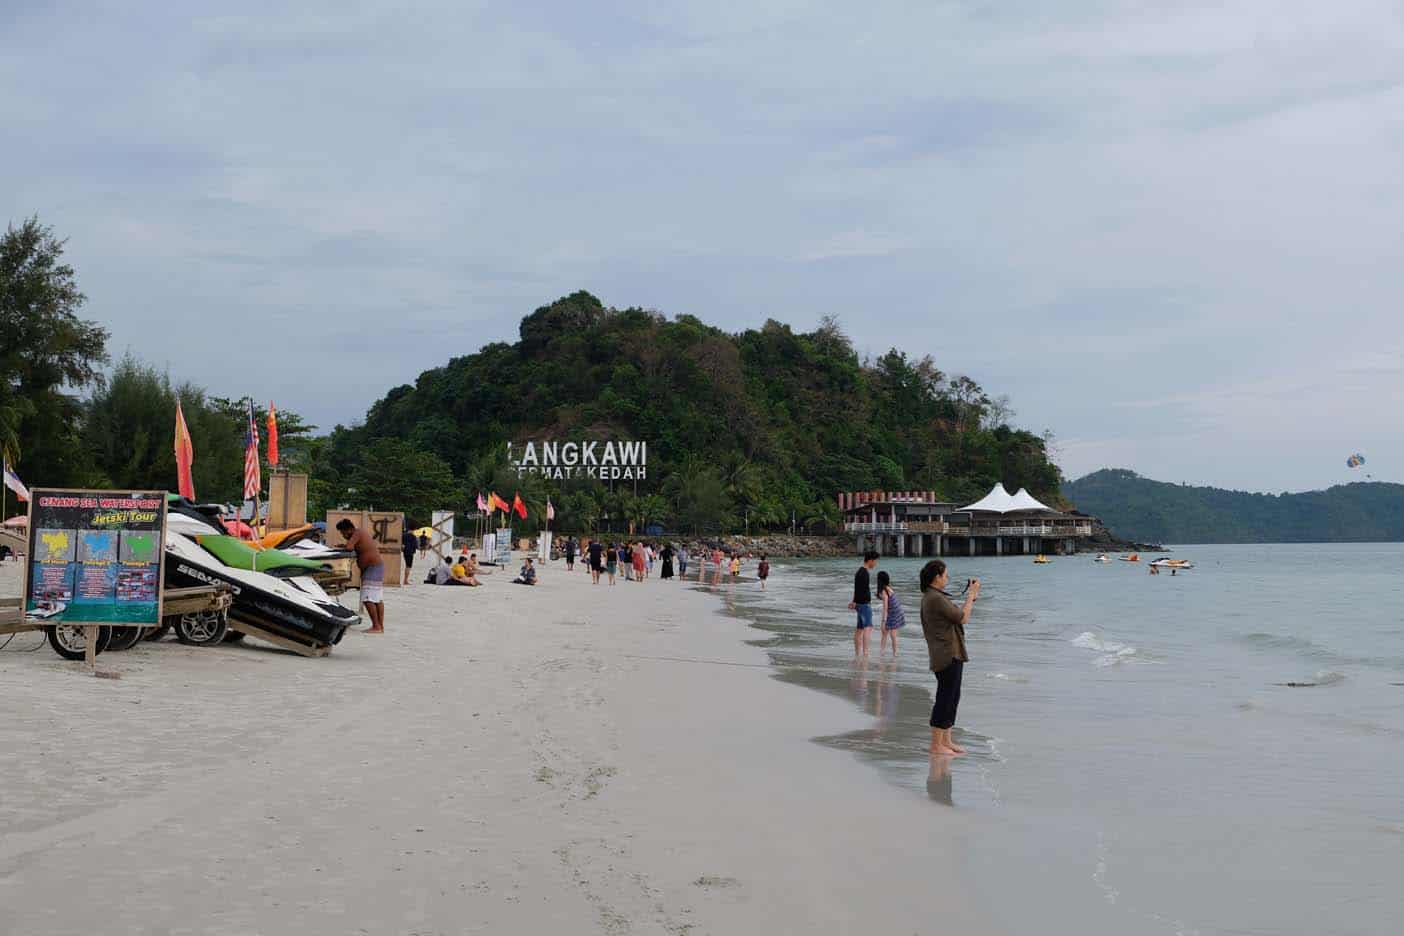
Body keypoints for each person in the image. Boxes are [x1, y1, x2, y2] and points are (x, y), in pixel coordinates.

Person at [919, 559, 978, 756]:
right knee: (945, 698)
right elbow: (963, 618)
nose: (947, 578)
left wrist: (970, 599)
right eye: (945, 575)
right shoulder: (934, 598)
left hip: (950, 652)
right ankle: (936, 745)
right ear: (937, 577)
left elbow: (956, 614)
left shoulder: (934, 596)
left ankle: (946, 740)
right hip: (946, 653)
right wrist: (971, 596)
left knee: (953, 696)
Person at [338, 518, 385, 633]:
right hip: (375, 567)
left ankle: (376, 626)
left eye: (343, 533)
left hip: (372, 568)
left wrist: (344, 546)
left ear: (349, 529)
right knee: (376, 598)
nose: (343, 535)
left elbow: (349, 547)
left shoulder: (357, 533)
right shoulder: (359, 533)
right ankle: (380, 626)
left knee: (367, 598)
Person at [848, 550, 878, 656]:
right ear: (870, 560)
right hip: (864, 604)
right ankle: (865, 653)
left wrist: (854, 602)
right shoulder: (864, 573)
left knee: (859, 629)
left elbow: (857, 589)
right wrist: (857, 602)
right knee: (868, 628)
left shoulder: (859, 571)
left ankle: (857, 654)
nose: (876, 564)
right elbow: (862, 590)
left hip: (859, 604)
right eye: (875, 561)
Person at [876, 569, 905, 656]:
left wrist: (883, 622)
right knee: (885, 632)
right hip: (896, 610)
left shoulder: (885, 591)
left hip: (895, 612)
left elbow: (885, 608)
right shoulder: (887, 588)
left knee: (892, 633)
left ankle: (894, 653)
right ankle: (882, 652)